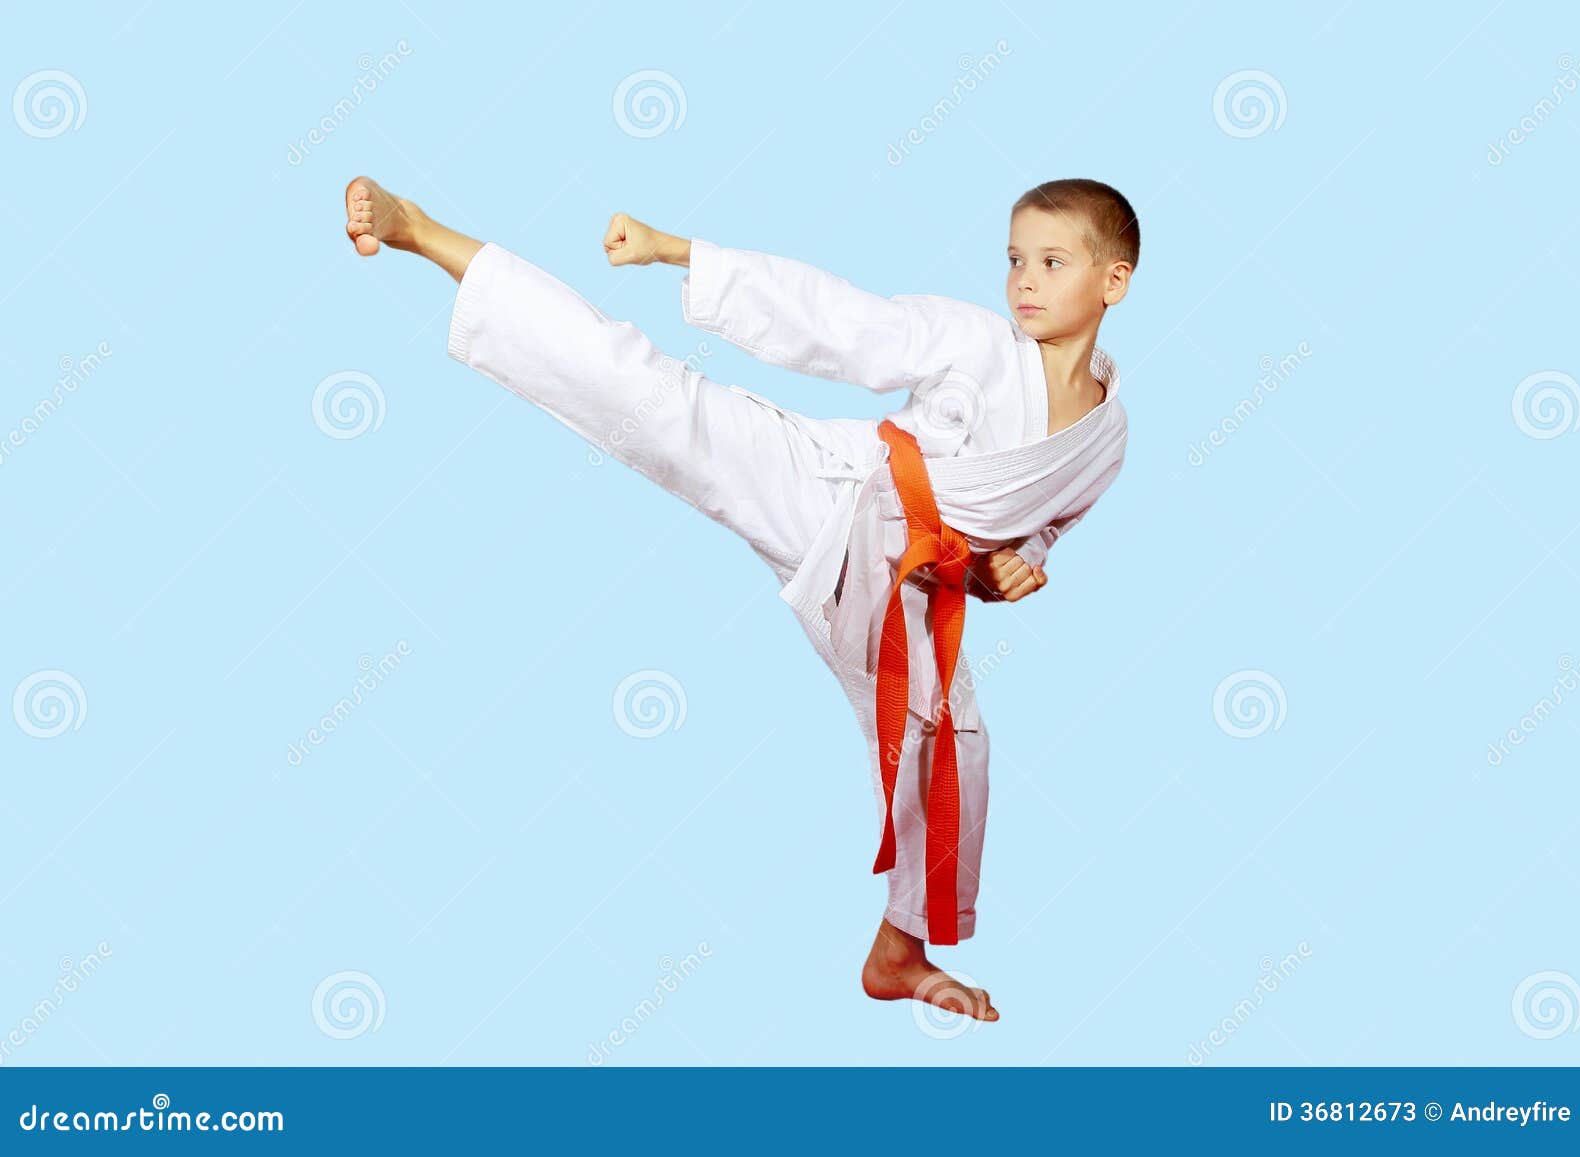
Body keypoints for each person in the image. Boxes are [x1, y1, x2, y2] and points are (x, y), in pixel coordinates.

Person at [342, 175, 1136, 1022]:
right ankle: (426, 234)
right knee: (655, 399)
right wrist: (682, 253)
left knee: (953, 747)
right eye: (1015, 258)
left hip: (906, 588)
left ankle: (899, 952)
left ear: (1112, 282)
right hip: (833, 491)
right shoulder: (976, 344)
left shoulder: (1107, 438)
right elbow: (844, 322)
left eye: (1052, 262)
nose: (1024, 280)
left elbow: (1028, 531)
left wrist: (1011, 567)